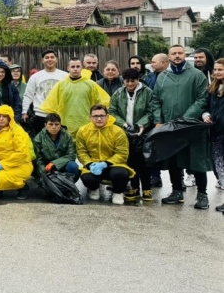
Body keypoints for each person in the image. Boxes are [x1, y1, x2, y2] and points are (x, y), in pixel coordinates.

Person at [153, 45, 212, 208]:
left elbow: (202, 99)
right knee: (173, 160)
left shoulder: (197, 75)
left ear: (185, 55)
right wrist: (158, 120)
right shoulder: (162, 77)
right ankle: (177, 191)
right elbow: (156, 100)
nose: (177, 56)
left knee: (197, 160)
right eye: (174, 53)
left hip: (191, 127)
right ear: (169, 56)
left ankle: (202, 195)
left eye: (180, 53)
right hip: (170, 128)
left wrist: (185, 119)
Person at [109, 68, 154, 202]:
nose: (129, 84)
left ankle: (147, 188)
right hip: (125, 131)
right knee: (130, 160)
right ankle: (134, 187)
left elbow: (151, 111)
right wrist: (123, 124)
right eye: (127, 81)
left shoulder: (147, 92)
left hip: (143, 131)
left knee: (144, 161)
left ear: (138, 80)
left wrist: (142, 124)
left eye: (132, 81)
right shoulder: (118, 93)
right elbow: (112, 111)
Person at [76, 105, 134, 205]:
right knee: (87, 177)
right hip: (94, 164)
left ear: (107, 116)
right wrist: (89, 164)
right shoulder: (82, 131)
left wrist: (106, 163)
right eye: (95, 116)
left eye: (102, 116)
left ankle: (118, 192)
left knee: (120, 174)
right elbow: (81, 151)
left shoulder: (118, 131)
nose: (99, 118)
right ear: (90, 118)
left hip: (114, 164)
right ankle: (93, 189)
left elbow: (122, 153)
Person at [40, 58, 110, 138]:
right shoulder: (61, 85)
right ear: (68, 68)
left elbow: (100, 102)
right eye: (73, 67)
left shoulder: (91, 84)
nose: (75, 69)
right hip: (66, 124)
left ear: (82, 68)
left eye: (78, 66)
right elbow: (51, 103)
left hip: (86, 123)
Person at [0, 105, 33, 198]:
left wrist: (3, 165)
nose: (1, 119)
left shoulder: (17, 131)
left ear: (10, 118)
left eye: (4, 116)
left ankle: (23, 187)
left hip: (19, 165)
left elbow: (22, 154)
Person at [22, 50, 68, 135]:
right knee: (41, 141)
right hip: (41, 114)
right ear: (42, 60)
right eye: (46, 58)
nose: (49, 59)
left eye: (52, 57)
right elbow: (28, 95)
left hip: (60, 114)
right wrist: (24, 111)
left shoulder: (65, 76)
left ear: (56, 59)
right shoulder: (35, 77)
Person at [31, 113, 79, 179]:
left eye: (56, 124)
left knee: (73, 166)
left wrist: (54, 163)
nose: (54, 127)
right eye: (50, 124)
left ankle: (70, 186)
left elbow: (72, 155)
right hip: (47, 167)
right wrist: (43, 172)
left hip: (63, 164)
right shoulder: (38, 139)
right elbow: (38, 160)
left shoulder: (67, 136)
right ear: (45, 125)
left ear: (60, 125)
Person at [203, 58, 224, 200]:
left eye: (220, 69)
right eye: (215, 69)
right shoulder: (213, 88)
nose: (216, 72)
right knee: (219, 164)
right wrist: (206, 115)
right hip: (216, 132)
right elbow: (207, 107)